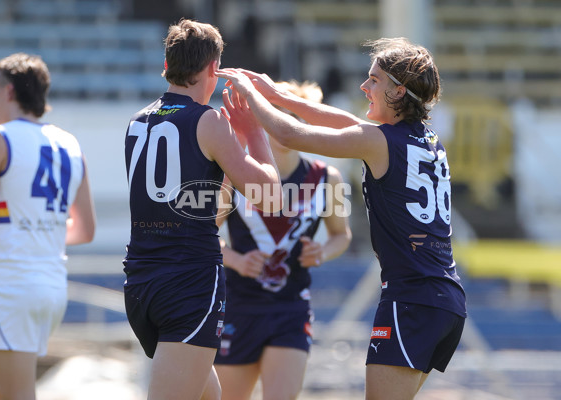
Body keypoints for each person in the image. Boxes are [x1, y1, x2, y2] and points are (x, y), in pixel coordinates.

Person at [216, 37, 467, 400]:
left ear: (398, 92)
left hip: (410, 299)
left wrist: (251, 100)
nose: (364, 86)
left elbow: (289, 132)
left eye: (374, 80)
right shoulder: (427, 140)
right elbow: (345, 123)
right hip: (444, 300)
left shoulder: (377, 142)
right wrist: (279, 97)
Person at [122, 19, 281, 400]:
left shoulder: (136, 121)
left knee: (209, 391)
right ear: (214, 68)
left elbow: (191, 201)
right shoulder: (207, 121)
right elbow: (270, 196)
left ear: (167, 65)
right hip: (189, 283)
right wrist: (253, 131)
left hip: (141, 282)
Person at [0, 53, 96, 400]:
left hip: (13, 286)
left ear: (9, 92)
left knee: (17, 393)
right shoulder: (71, 143)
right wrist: (37, 228)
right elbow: (85, 230)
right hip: (51, 290)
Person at [213, 80, 352, 400]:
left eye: (296, 116)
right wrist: (237, 260)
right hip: (238, 307)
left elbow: (341, 236)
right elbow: (205, 236)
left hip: (292, 309)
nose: (289, 123)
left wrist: (322, 252)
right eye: (280, 114)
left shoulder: (328, 178)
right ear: (265, 119)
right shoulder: (237, 172)